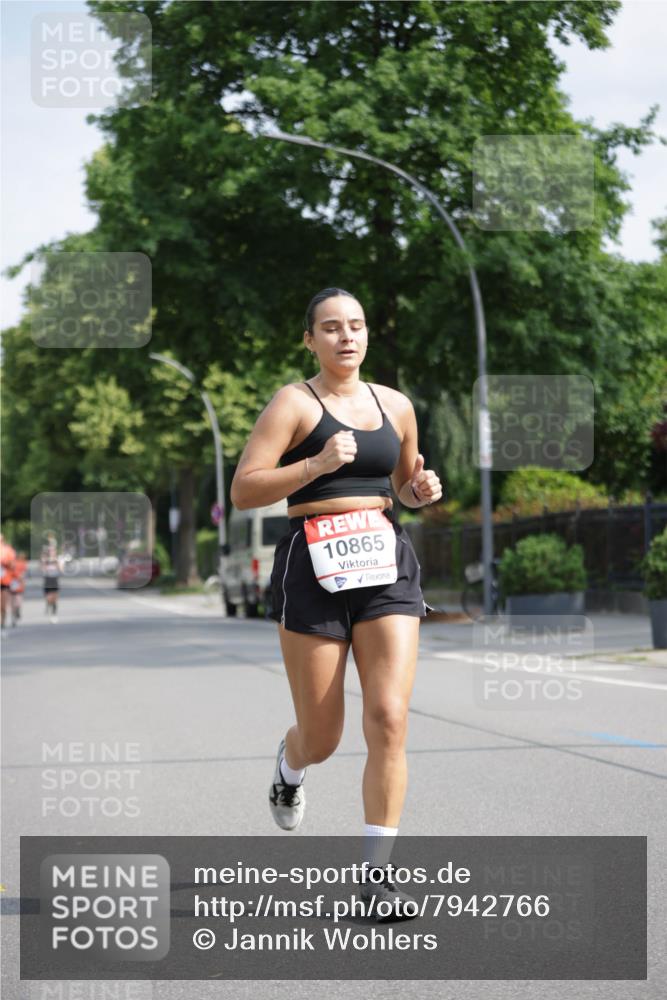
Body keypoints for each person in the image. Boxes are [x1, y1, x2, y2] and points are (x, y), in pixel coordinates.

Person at [230, 287, 442, 921]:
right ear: (310, 340)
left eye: (356, 325)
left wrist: (420, 490)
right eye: (330, 327)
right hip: (313, 564)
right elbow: (245, 489)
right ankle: (291, 764)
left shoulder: (396, 405)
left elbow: (403, 486)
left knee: (390, 717)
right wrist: (315, 464)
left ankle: (377, 877)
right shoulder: (294, 403)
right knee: (323, 736)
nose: (346, 336)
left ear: (366, 334)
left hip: (383, 561)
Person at [41, 538, 61, 622]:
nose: (51, 552)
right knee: (49, 598)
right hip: (47, 580)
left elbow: (61, 569)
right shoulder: (44, 558)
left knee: (55, 598)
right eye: (50, 551)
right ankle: (48, 605)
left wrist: (56, 562)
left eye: (52, 551)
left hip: (54, 580)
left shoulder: (57, 559)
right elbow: (42, 569)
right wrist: (45, 562)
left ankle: (54, 614)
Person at [1, 534, 17, 634]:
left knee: (3, 606)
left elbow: (13, 565)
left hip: (5, 581)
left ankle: (2, 624)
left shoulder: (8, 550)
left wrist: (5, 562)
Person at [10, 550, 28, 626]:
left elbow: (24, 573)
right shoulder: (12, 563)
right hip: (13, 582)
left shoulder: (23, 564)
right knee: (13, 601)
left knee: (17, 600)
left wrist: (22, 580)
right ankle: (13, 616)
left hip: (19, 583)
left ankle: (17, 611)